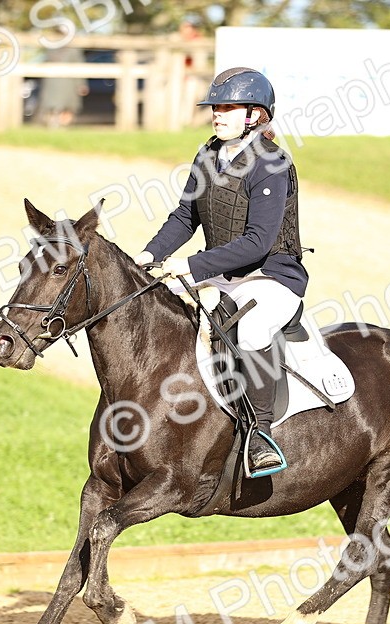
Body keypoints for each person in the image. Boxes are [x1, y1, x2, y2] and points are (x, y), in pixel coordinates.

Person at [135, 68, 308, 478]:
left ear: (254, 114)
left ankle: (261, 435)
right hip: (224, 273)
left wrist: (191, 265)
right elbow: (185, 216)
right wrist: (148, 254)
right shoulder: (208, 155)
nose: (217, 114)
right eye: (215, 107)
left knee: (251, 330)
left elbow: (258, 242)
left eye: (227, 107)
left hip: (271, 276)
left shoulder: (271, 163)